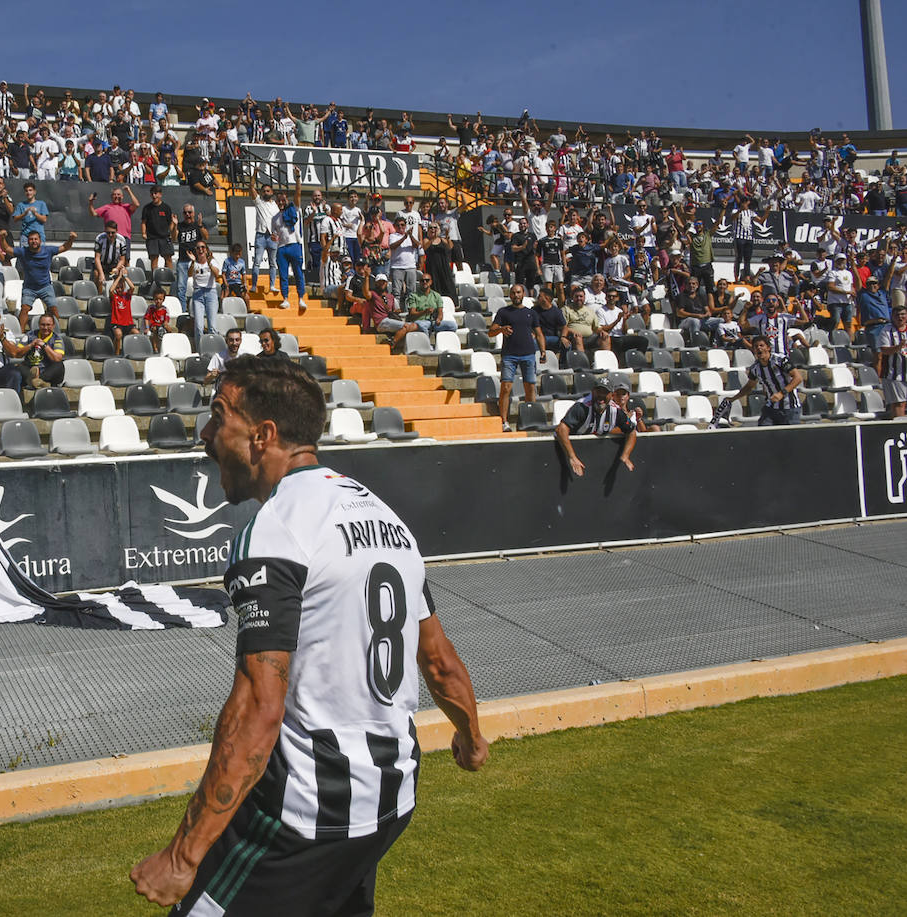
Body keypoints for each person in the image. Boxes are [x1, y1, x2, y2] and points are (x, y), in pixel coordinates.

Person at [133, 356, 487, 913]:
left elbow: (257, 707)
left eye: (218, 417)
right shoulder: (389, 521)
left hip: (307, 812)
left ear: (262, 435)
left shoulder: (277, 529)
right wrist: (469, 736)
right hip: (392, 798)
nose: (205, 435)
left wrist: (182, 857)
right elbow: (438, 660)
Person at [489, 284, 547, 433]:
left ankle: (530, 418)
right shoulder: (503, 312)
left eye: (519, 292)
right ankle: (504, 421)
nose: (516, 295)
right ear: (510, 295)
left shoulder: (531, 313)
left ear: (523, 294)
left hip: (528, 354)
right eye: (513, 293)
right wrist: (501, 329)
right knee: (506, 387)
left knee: (530, 388)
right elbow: (491, 332)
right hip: (509, 355)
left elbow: (539, 333)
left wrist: (543, 351)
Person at [554, 382, 638, 477]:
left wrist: (625, 456)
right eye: (598, 392)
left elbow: (631, 431)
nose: (601, 396)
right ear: (592, 392)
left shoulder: (615, 411)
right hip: (566, 450)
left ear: (612, 395)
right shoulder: (582, 407)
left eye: (605, 393)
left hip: (592, 455)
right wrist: (572, 457)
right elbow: (560, 429)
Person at [730, 337, 802, 426]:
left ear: (768, 348)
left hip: (789, 407)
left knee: (790, 437)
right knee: (764, 433)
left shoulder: (780, 360)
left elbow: (798, 378)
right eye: (756, 346)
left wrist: (781, 393)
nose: (759, 348)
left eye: (761, 345)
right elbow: (749, 386)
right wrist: (732, 399)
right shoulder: (755, 368)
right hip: (770, 407)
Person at [13, 229, 76, 328]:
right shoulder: (23, 251)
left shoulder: (48, 250)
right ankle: (20, 333)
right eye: (31, 239)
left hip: (45, 286)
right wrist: (3, 239)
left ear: (40, 240)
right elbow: (7, 249)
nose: (34, 241)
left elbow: (65, 247)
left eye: (36, 239)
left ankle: (56, 331)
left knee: (53, 308)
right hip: (29, 288)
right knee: (24, 308)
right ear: (28, 241)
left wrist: (71, 239)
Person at [271, 184, 308, 313]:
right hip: (281, 248)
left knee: (298, 273)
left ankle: (301, 298)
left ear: (287, 200)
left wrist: (298, 178)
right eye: (279, 201)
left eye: (283, 200)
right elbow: (274, 233)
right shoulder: (274, 218)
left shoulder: (294, 209)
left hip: (294, 245)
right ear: (276, 202)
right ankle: (285, 299)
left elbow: (298, 193)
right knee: (283, 275)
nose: (281, 203)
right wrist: (273, 237)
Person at [17, 314, 66, 389]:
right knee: (18, 366)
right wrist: (30, 345)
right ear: (39, 325)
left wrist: (44, 345)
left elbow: (57, 358)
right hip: (30, 369)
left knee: (59, 365)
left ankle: (37, 380)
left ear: (53, 326)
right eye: (43, 325)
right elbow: (18, 353)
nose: (45, 328)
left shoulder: (57, 339)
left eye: (48, 325)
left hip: (47, 371)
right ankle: (40, 382)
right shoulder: (29, 335)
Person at [190, 243, 224, 349]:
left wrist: (209, 263)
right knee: (199, 326)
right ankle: (200, 350)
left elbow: (217, 274)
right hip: (198, 294)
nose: (200, 250)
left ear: (206, 250)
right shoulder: (194, 263)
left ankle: (212, 348)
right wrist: (192, 261)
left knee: (212, 326)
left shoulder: (213, 261)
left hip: (211, 293)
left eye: (203, 247)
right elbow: (189, 274)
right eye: (198, 248)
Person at [406, 272, 457, 336]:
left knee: (453, 325)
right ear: (419, 282)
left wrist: (439, 319)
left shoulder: (436, 295)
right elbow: (412, 314)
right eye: (422, 280)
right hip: (420, 321)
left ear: (431, 282)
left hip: (433, 322)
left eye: (427, 280)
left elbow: (440, 312)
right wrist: (424, 312)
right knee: (422, 326)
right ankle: (427, 344)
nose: (424, 282)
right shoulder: (413, 296)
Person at [250, 179, 279, 293]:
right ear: (261, 193)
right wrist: (255, 174)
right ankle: (254, 285)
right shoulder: (258, 202)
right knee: (257, 261)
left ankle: (272, 285)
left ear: (272, 192)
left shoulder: (275, 206)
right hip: (261, 235)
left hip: (272, 236)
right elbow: (251, 187)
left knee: (273, 263)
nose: (266, 193)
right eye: (264, 191)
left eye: (268, 191)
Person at [879, 306, 907, 418]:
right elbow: (884, 350)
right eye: (897, 315)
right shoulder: (886, 330)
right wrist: (898, 347)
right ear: (892, 317)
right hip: (893, 374)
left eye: (903, 314)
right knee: (898, 404)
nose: (900, 317)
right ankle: (899, 429)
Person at [140, 185, 175, 271]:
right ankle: (155, 280)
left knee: (168, 259)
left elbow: (170, 223)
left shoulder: (166, 208)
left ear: (160, 194)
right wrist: (144, 233)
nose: (154, 196)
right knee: (154, 259)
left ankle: (168, 279)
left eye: (156, 193)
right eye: (152, 194)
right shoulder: (147, 208)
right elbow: (143, 222)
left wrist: (169, 233)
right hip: (152, 238)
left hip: (165, 237)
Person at [93, 221, 130, 294]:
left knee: (124, 272)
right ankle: (99, 295)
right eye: (108, 232)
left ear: (116, 231)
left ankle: (120, 296)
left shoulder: (121, 240)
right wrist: (101, 273)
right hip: (102, 264)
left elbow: (122, 259)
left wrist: (117, 268)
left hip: (115, 264)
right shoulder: (99, 238)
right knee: (97, 274)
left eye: (113, 233)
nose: (110, 235)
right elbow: (97, 258)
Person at [107, 269, 138, 353]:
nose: (119, 289)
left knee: (137, 333)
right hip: (117, 323)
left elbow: (132, 287)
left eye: (121, 288)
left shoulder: (127, 295)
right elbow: (111, 290)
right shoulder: (114, 297)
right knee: (118, 334)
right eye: (118, 288)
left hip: (128, 323)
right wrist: (119, 277)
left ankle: (131, 351)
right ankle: (116, 353)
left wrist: (125, 277)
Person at [11, 181, 49, 247]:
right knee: (24, 256)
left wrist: (35, 213)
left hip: (39, 236)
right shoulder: (21, 205)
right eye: (26, 191)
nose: (28, 192)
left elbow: (44, 219)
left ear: (34, 192)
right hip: (25, 236)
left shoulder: (41, 204)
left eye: (30, 190)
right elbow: (15, 219)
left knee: (39, 256)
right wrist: (24, 214)